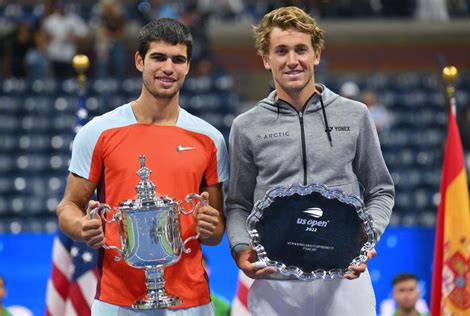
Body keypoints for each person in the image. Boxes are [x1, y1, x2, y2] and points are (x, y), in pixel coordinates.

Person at [225, 6, 394, 315]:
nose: (292, 60)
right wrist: (239, 247)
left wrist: (365, 235)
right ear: (266, 59)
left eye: (301, 49)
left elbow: (381, 190)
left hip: (344, 277)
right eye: (281, 51)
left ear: (316, 54)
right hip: (275, 282)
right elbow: (237, 203)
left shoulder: (355, 115)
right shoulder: (246, 125)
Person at [56, 18, 229, 315]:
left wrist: (212, 226)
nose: (168, 68)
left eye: (178, 60)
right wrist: (82, 227)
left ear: (187, 66)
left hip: (190, 302)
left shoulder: (210, 139)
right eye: (158, 58)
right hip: (116, 300)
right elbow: (68, 206)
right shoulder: (97, 132)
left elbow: (214, 232)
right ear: (139, 61)